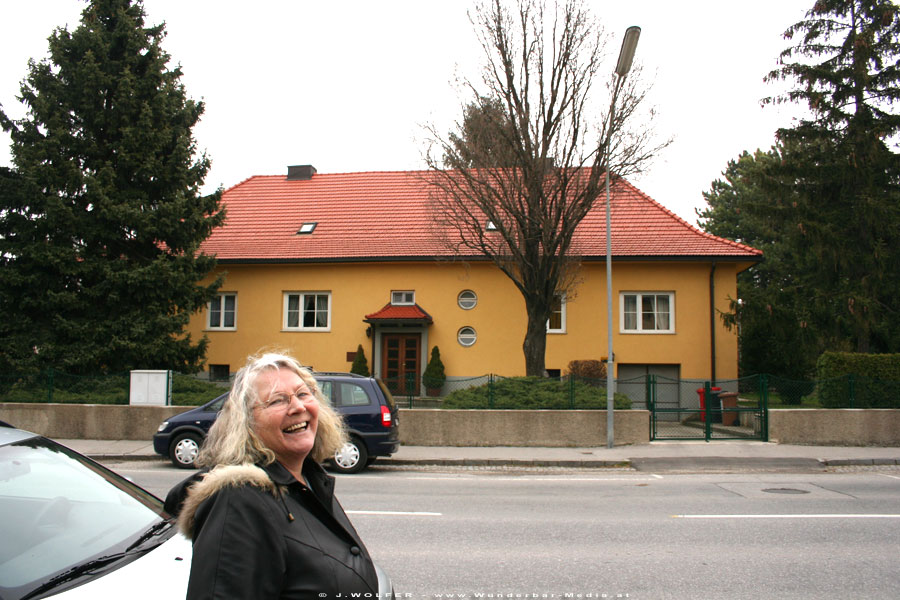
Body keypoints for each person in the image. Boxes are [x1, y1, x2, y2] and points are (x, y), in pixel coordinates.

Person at [168, 352, 379, 599]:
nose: (298, 407)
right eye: (278, 400)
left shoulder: (309, 479)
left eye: (303, 394)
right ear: (246, 423)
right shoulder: (238, 502)